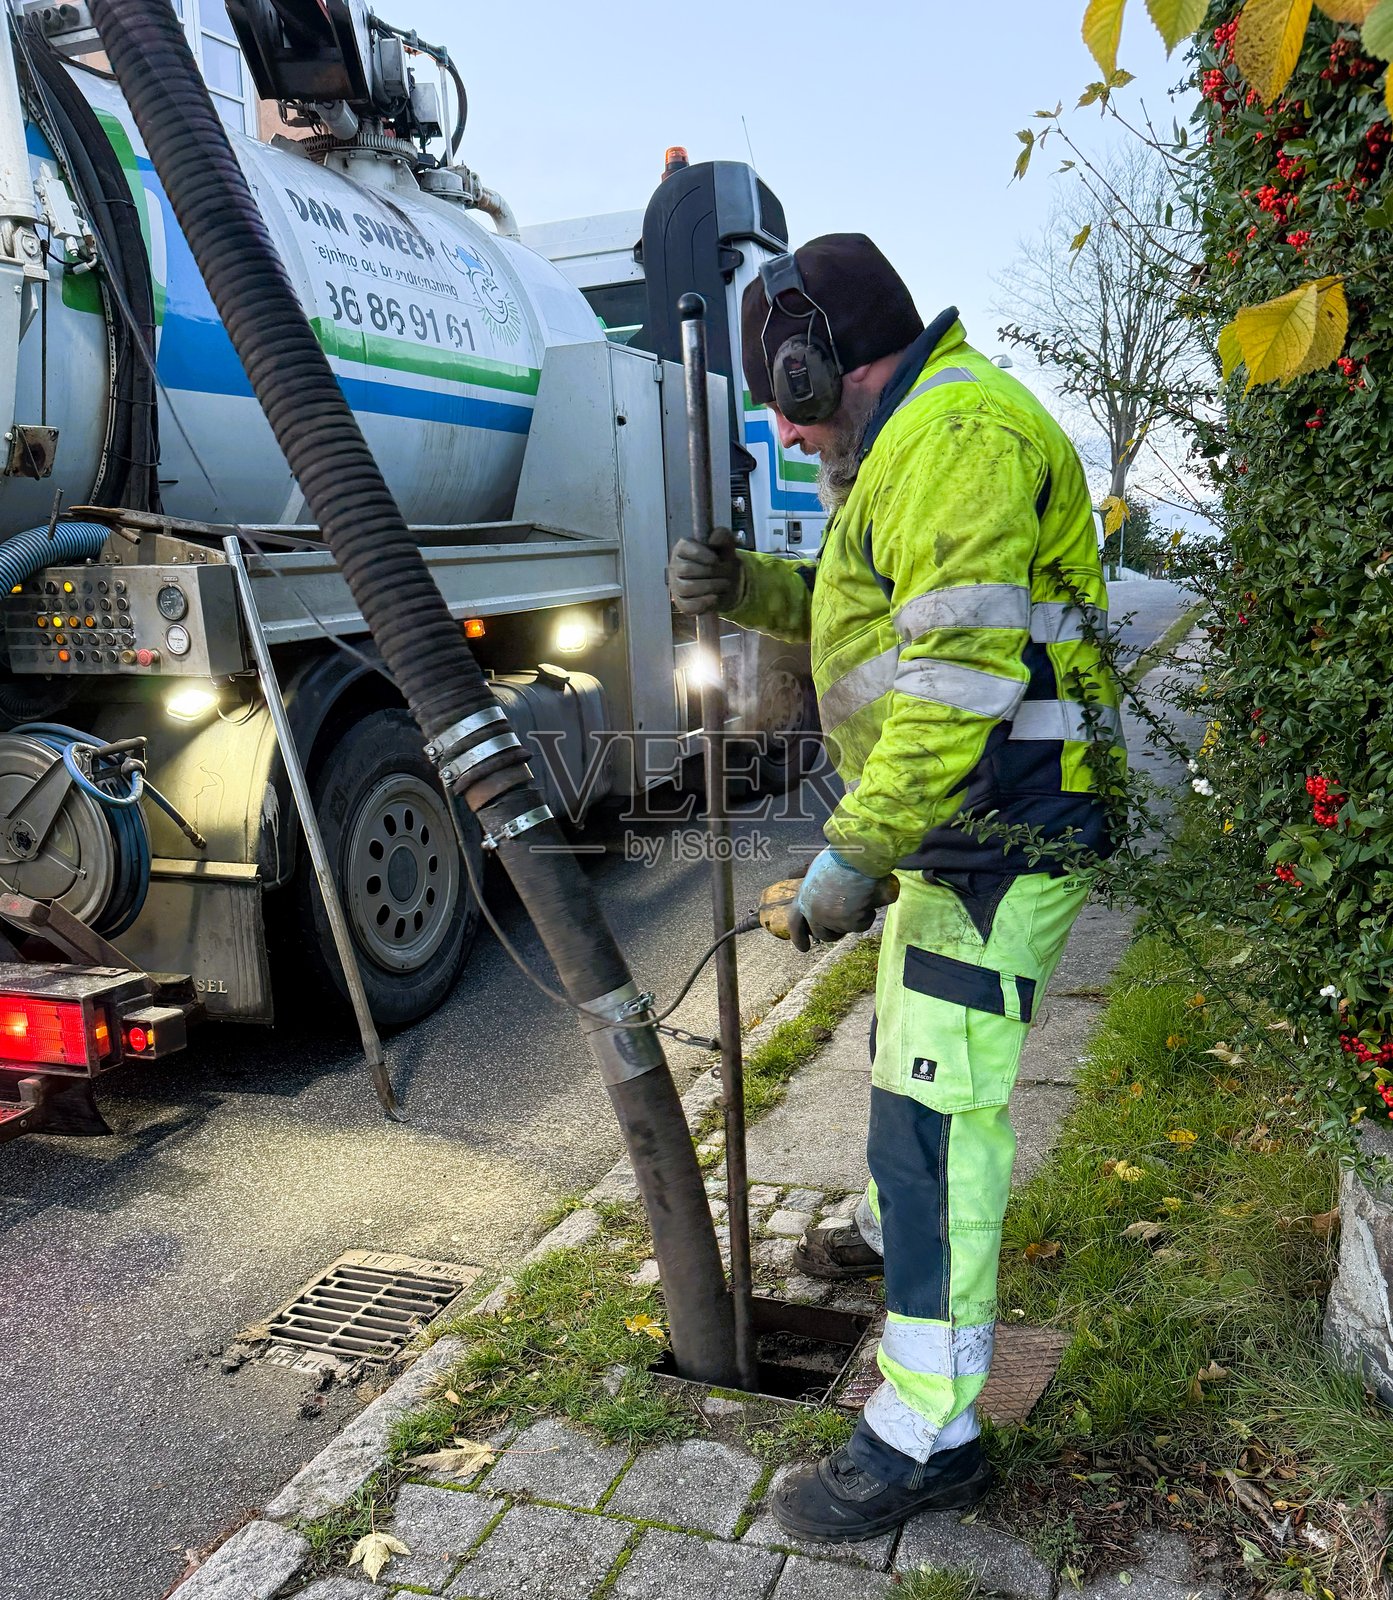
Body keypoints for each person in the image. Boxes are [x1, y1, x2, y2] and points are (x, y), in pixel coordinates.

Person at [667, 234, 1123, 1542]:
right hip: (965, 830)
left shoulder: (955, 437)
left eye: (782, 400)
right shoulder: (915, 440)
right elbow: (866, 605)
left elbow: (954, 682)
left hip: (1002, 831)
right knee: (907, 1060)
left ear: (815, 369)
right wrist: (751, 589)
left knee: (938, 1120)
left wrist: (850, 857)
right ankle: (887, 1229)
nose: (781, 428)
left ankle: (929, 1432)